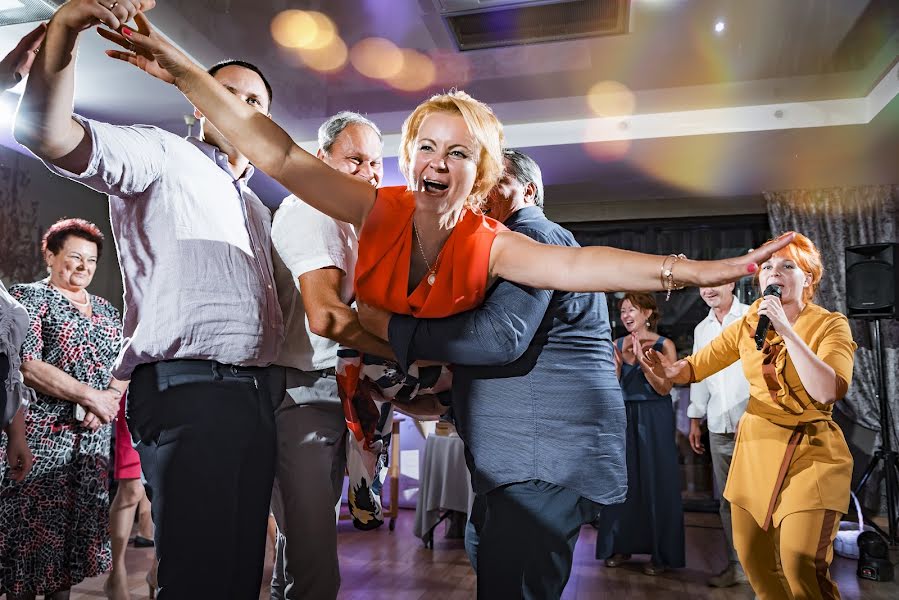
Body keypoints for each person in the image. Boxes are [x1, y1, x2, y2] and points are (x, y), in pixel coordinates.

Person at [15, 2, 285, 597]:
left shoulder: (261, 210)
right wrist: (65, 29)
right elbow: (45, 134)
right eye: (225, 92)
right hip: (191, 390)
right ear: (197, 102)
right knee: (196, 575)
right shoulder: (163, 154)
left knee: (244, 573)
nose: (239, 106)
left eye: (254, 101)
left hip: (258, 396)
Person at [361, 148, 625, 597]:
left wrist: (388, 328)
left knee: (517, 583)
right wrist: (437, 399)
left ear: (529, 189)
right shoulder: (502, 246)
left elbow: (499, 339)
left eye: (492, 181)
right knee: (493, 562)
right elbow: (529, 355)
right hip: (523, 456)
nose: (477, 191)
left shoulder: (535, 238)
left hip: (540, 455)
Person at [644, 233, 856, 600]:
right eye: (769, 266)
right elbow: (694, 367)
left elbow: (827, 390)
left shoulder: (830, 324)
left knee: (799, 561)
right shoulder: (748, 326)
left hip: (812, 453)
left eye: (788, 266)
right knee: (754, 560)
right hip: (756, 450)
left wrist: (786, 329)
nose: (776, 272)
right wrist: (666, 372)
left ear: (809, 278)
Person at [269, 111, 392, 599]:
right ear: (322, 159)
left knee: (302, 548)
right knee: (315, 556)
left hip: (339, 392)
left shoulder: (354, 226)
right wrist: (413, 352)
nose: (370, 172)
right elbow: (326, 318)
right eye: (355, 159)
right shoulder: (310, 210)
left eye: (376, 162)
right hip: (304, 396)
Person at [1, 218, 125, 600]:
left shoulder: (106, 310)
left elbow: (124, 364)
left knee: (71, 548)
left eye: (91, 260)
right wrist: (89, 395)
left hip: (91, 443)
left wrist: (110, 398)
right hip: (41, 437)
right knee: (29, 544)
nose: (83, 267)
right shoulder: (30, 298)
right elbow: (27, 364)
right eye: (74, 257)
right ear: (50, 255)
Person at [595, 292, 685, 576]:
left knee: (657, 480)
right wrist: (618, 367)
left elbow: (664, 389)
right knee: (623, 481)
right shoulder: (615, 345)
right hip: (623, 417)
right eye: (622, 311)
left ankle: (661, 554)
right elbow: (609, 388)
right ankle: (619, 545)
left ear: (647, 313)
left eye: (631, 309)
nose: (625, 315)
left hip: (654, 416)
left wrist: (646, 364)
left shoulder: (664, 344)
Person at [687, 283, 750, 587]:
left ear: (731, 283)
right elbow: (699, 374)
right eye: (703, 285)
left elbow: (769, 369)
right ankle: (738, 567)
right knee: (729, 500)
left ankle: (772, 569)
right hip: (718, 425)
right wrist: (695, 417)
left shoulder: (752, 317)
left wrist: (755, 414)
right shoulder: (702, 329)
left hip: (756, 426)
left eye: (715, 283)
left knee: (763, 499)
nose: (709, 290)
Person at [104, 392, 156, 599]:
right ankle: (116, 573)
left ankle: (158, 569)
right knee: (132, 488)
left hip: (175, 387)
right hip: (134, 389)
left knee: (166, 486)